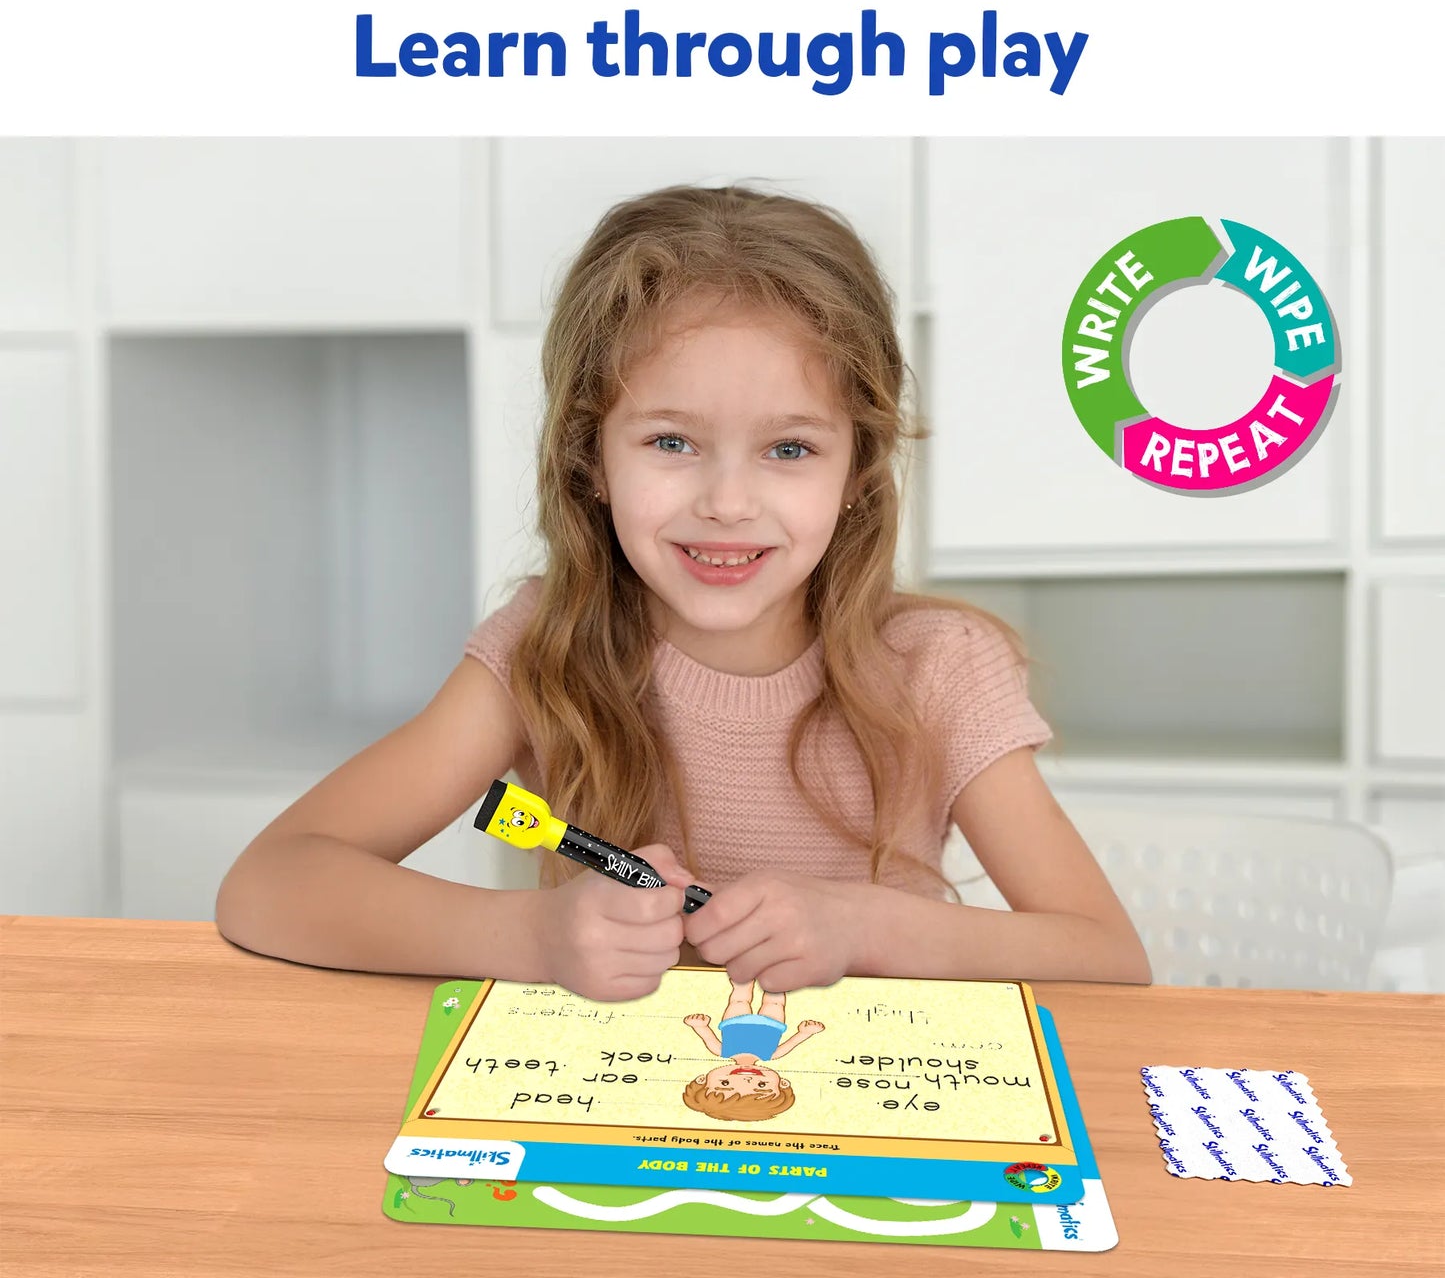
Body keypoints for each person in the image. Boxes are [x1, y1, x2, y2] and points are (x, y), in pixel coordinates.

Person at [216, 184, 1151, 999]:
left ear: (858, 468)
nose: (728, 503)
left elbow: (1106, 955)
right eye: (672, 442)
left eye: (790, 449)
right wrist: (534, 938)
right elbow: (270, 882)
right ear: (589, 455)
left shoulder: (938, 667)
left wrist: (867, 927)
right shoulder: (543, 647)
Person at [680, 979, 826, 1122]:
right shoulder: (771, 1055)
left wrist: (699, 1025)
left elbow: (707, 1036)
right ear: (783, 1084)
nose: (746, 1079)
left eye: (725, 1083)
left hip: (734, 1023)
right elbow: (793, 1042)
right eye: (761, 1085)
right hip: (772, 1024)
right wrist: (806, 1032)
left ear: (702, 1080)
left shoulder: (721, 1050)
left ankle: (742, 984)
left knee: (739, 1001)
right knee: (774, 1002)